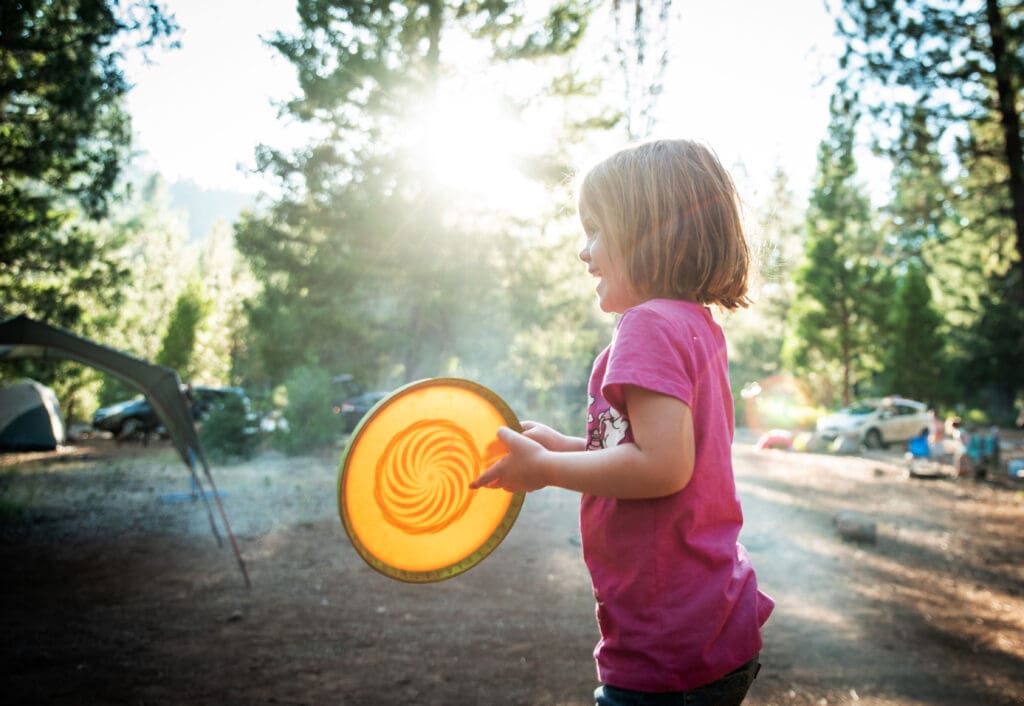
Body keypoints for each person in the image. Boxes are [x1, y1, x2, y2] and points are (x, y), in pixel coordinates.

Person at [471, 139, 774, 705]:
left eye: (595, 231)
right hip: (707, 627)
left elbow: (662, 467)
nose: (584, 253)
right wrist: (563, 446)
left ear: (648, 232)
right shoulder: (691, 324)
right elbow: (643, 447)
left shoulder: (648, 325)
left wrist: (550, 467)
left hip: (666, 645)